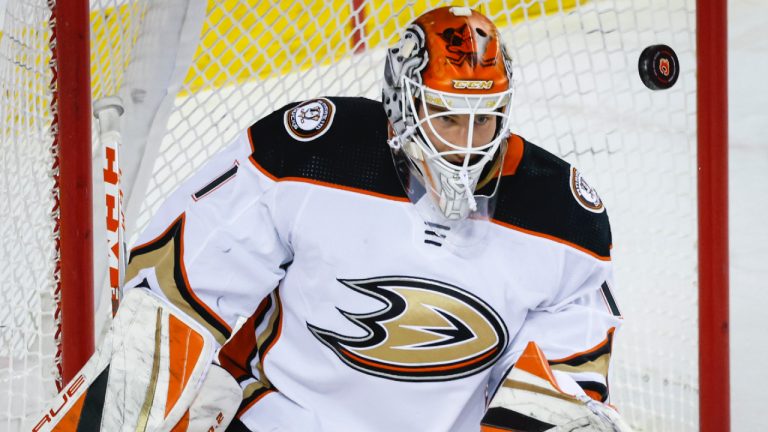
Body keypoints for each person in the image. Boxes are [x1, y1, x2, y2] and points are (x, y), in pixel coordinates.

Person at [35, 6, 630, 432]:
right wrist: (179, 386)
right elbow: (179, 290)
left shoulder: (563, 219)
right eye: (448, 118)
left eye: (486, 118)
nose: (468, 145)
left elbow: (555, 394)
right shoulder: (312, 157)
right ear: (401, 105)